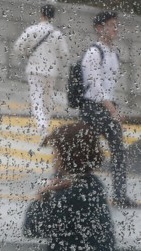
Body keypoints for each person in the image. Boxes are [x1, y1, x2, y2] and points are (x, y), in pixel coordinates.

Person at [23, 123, 127, 251]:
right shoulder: (91, 186)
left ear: (70, 155)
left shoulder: (72, 196)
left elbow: (31, 227)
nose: (53, 157)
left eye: (57, 152)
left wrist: (42, 195)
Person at [79, 11, 138, 208]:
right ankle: (71, 188)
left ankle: (120, 196)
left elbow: (109, 86)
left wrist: (112, 108)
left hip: (107, 108)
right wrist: (112, 109)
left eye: (116, 25)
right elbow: (95, 85)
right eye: (111, 25)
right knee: (84, 151)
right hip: (93, 109)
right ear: (99, 28)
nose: (115, 29)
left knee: (118, 151)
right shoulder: (94, 52)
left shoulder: (113, 53)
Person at [13, 4, 69, 138]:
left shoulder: (32, 30)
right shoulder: (57, 34)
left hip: (34, 70)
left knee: (36, 98)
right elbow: (64, 53)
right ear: (53, 16)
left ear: (41, 14)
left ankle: (42, 126)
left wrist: (25, 53)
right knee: (47, 99)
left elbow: (18, 46)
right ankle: (45, 124)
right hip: (51, 72)